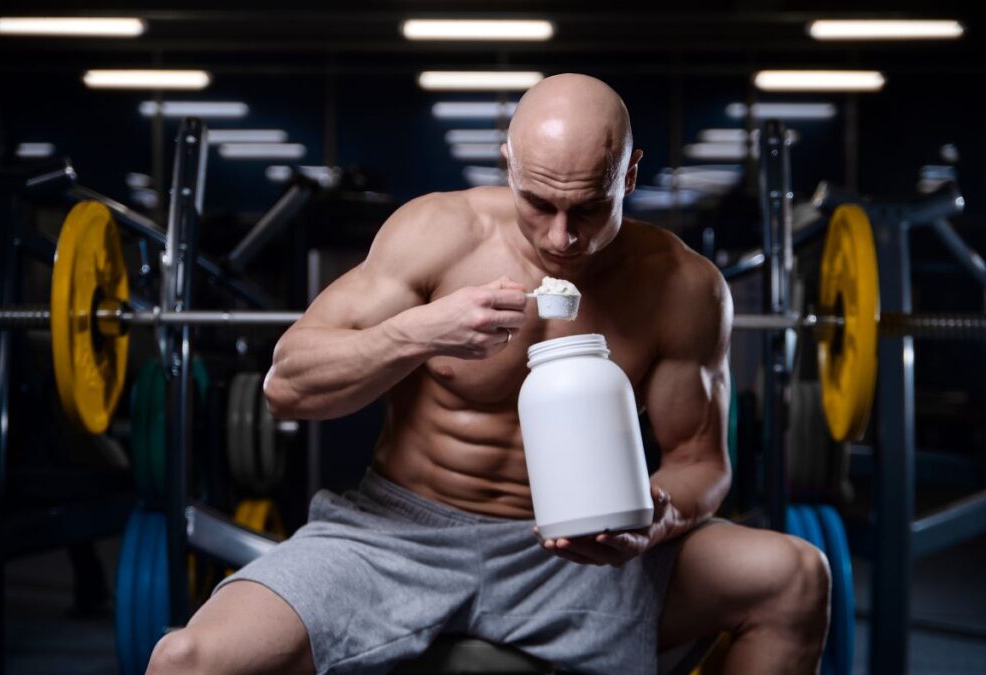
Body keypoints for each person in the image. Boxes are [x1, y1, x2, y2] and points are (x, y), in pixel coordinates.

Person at [147, 73, 829, 675]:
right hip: (400, 538)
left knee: (794, 576)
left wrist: (650, 518)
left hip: (584, 555)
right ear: (508, 164)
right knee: (188, 660)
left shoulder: (682, 285)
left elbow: (701, 462)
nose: (563, 238)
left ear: (628, 174)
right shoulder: (440, 232)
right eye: (540, 203)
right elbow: (286, 385)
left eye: (588, 206)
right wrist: (418, 332)